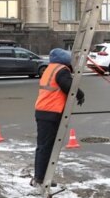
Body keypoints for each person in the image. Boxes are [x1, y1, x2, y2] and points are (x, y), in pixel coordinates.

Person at [32, 48, 84, 188]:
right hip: (50, 112)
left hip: (43, 111)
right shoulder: (61, 70)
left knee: (44, 147)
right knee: (45, 147)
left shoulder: (51, 68)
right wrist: (80, 94)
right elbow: (68, 85)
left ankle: (42, 177)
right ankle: (39, 179)